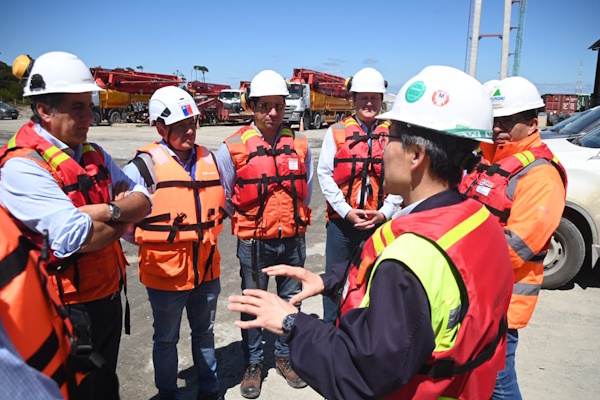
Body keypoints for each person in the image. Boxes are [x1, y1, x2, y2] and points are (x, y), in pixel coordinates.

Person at [228, 65, 515, 399]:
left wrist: (293, 324)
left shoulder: (409, 261)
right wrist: (332, 280)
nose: (382, 148)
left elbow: (360, 373)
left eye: (389, 137)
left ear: (415, 156)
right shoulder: (479, 221)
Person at [0, 51, 151, 393]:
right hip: (67, 308)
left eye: (90, 106)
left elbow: (144, 200)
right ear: (44, 110)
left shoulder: (93, 152)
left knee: (104, 385)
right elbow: (77, 236)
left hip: (108, 298)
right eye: (78, 107)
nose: (90, 117)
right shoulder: (22, 166)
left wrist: (104, 211)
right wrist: (119, 210)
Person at [460, 76, 567, 399]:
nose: (497, 128)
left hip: (500, 302)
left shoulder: (541, 174)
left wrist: (453, 260)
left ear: (533, 123)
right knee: (472, 379)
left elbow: (516, 247)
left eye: (507, 121)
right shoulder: (489, 159)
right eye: (494, 120)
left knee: (498, 384)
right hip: (470, 292)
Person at [122, 86, 226, 400]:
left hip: (206, 269)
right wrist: (154, 239)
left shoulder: (210, 158)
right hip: (166, 275)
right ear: (160, 127)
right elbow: (124, 223)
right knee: (165, 338)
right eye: (180, 126)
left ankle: (209, 388)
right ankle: (167, 393)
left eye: (192, 122)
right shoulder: (142, 168)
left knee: (204, 333)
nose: (189, 131)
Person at [215, 69, 313, 398]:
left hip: (293, 240)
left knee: (289, 302)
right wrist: (249, 223)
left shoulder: (299, 144)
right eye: (265, 106)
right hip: (254, 242)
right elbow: (226, 195)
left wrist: (290, 220)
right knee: (254, 304)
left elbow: (307, 189)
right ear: (252, 106)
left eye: (279, 105)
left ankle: (284, 357)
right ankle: (254, 363)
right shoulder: (232, 147)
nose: (273, 113)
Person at [317, 67, 403, 323]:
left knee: (376, 282)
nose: (368, 103)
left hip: (379, 223)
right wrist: (346, 211)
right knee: (334, 282)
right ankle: (331, 339)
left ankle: (364, 338)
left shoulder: (393, 133)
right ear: (353, 100)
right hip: (342, 225)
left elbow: (401, 177)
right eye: (363, 98)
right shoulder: (336, 132)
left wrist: (385, 212)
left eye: (374, 98)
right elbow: (324, 174)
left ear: (381, 100)